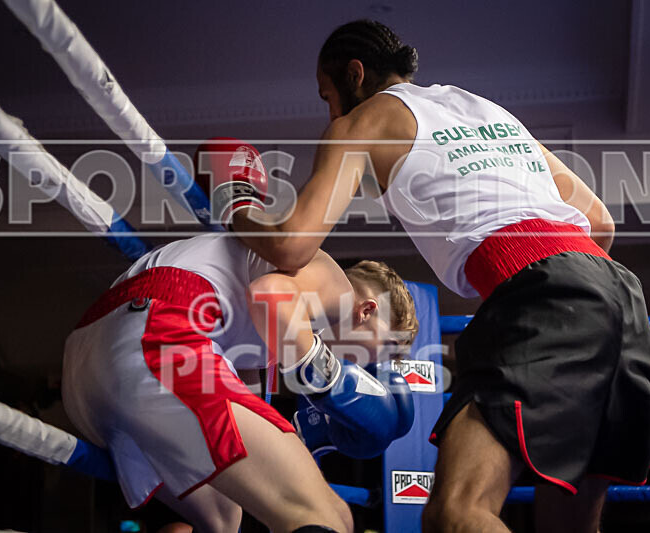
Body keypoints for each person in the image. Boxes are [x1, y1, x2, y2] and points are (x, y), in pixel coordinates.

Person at [217, 19, 650, 533]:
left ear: (355, 73)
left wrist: (235, 198)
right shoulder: (491, 111)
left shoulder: (364, 120)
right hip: (620, 298)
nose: (331, 111)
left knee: (457, 513)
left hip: (545, 295)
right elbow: (599, 224)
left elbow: (291, 245)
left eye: (328, 95)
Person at [61, 141, 418, 533]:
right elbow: (270, 297)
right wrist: (333, 382)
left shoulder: (266, 340)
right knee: (330, 517)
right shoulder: (336, 288)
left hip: (93, 370)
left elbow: (240, 411)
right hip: (155, 338)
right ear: (367, 311)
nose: (367, 365)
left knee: (224, 519)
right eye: (382, 350)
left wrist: (305, 431)